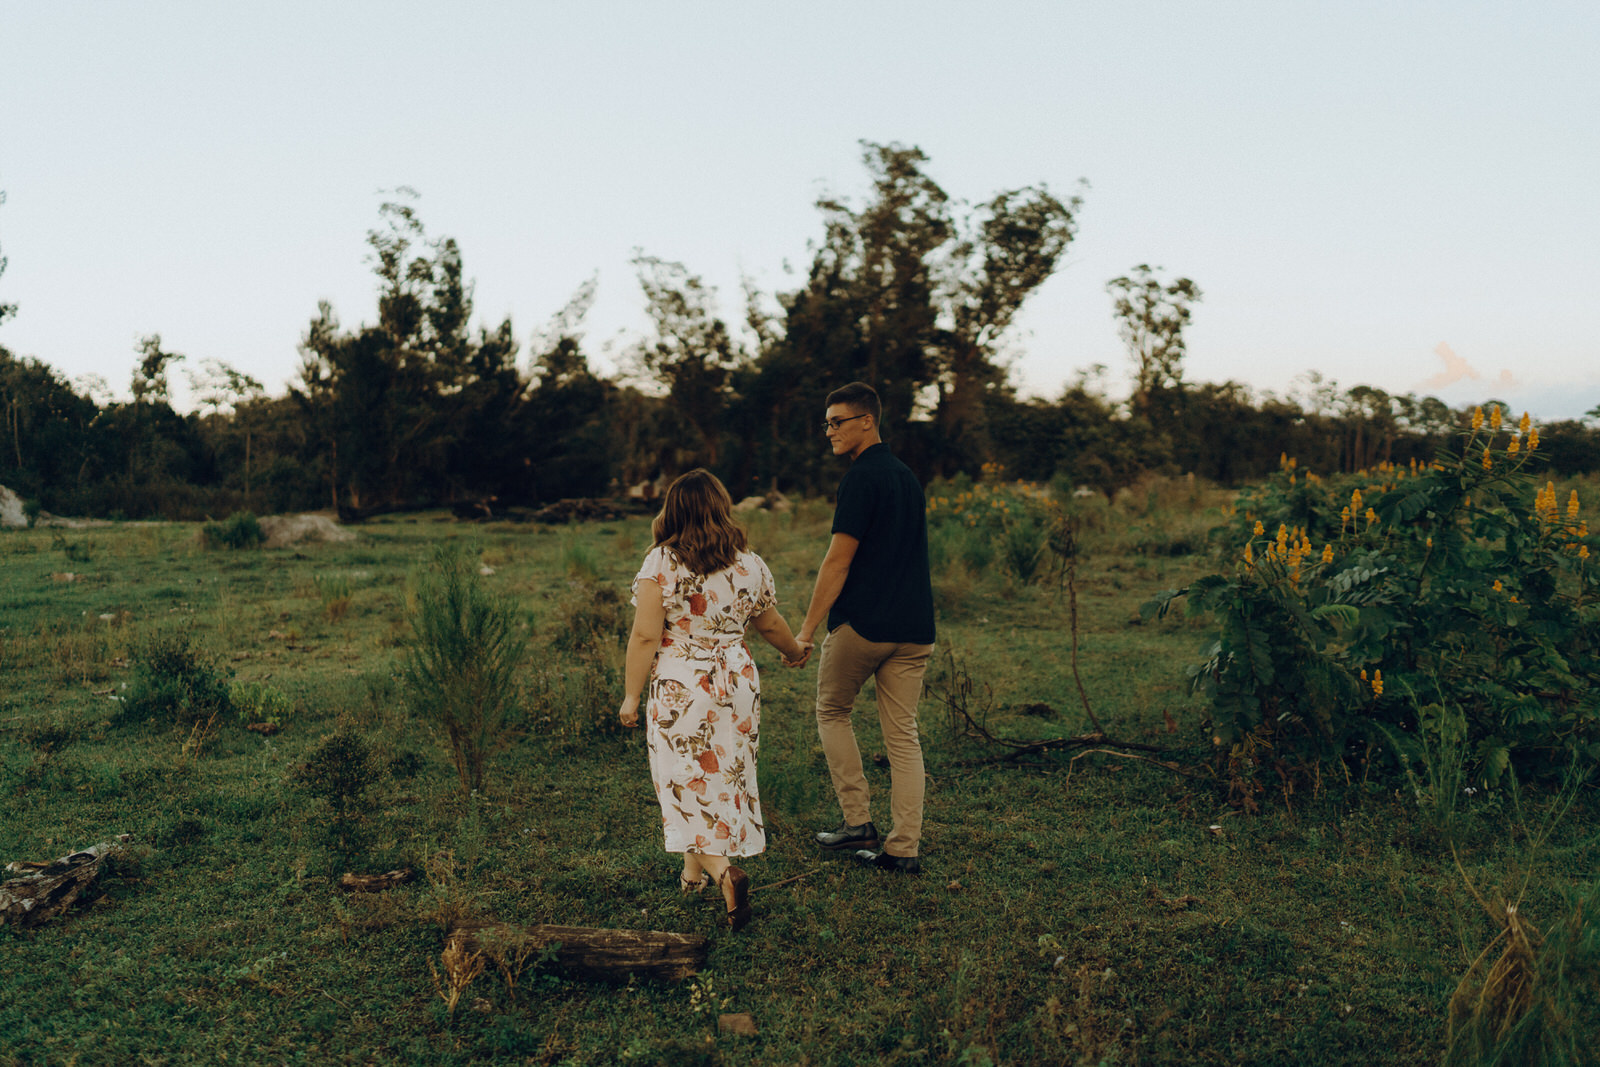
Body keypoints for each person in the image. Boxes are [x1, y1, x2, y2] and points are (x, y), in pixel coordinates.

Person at [619, 468, 808, 930]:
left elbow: (646, 635)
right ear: (721, 507)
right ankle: (691, 874)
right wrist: (794, 651)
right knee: (723, 775)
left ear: (673, 510)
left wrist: (629, 696)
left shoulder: (662, 562)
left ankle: (724, 873)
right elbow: (770, 625)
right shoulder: (750, 564)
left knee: (681, 780)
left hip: (683, 683)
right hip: (737, 681)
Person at [795, 382, 936, 875]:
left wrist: (808, 630)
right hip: (916, 626)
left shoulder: (860, 478)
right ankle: (904, 848)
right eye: (827, 422)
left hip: (865, 625)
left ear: (866, 422)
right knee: (904, 737)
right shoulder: (907, 477)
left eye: (837, 421)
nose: (828, 430)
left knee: (832, 710)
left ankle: (858, 823)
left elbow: (837, 562)